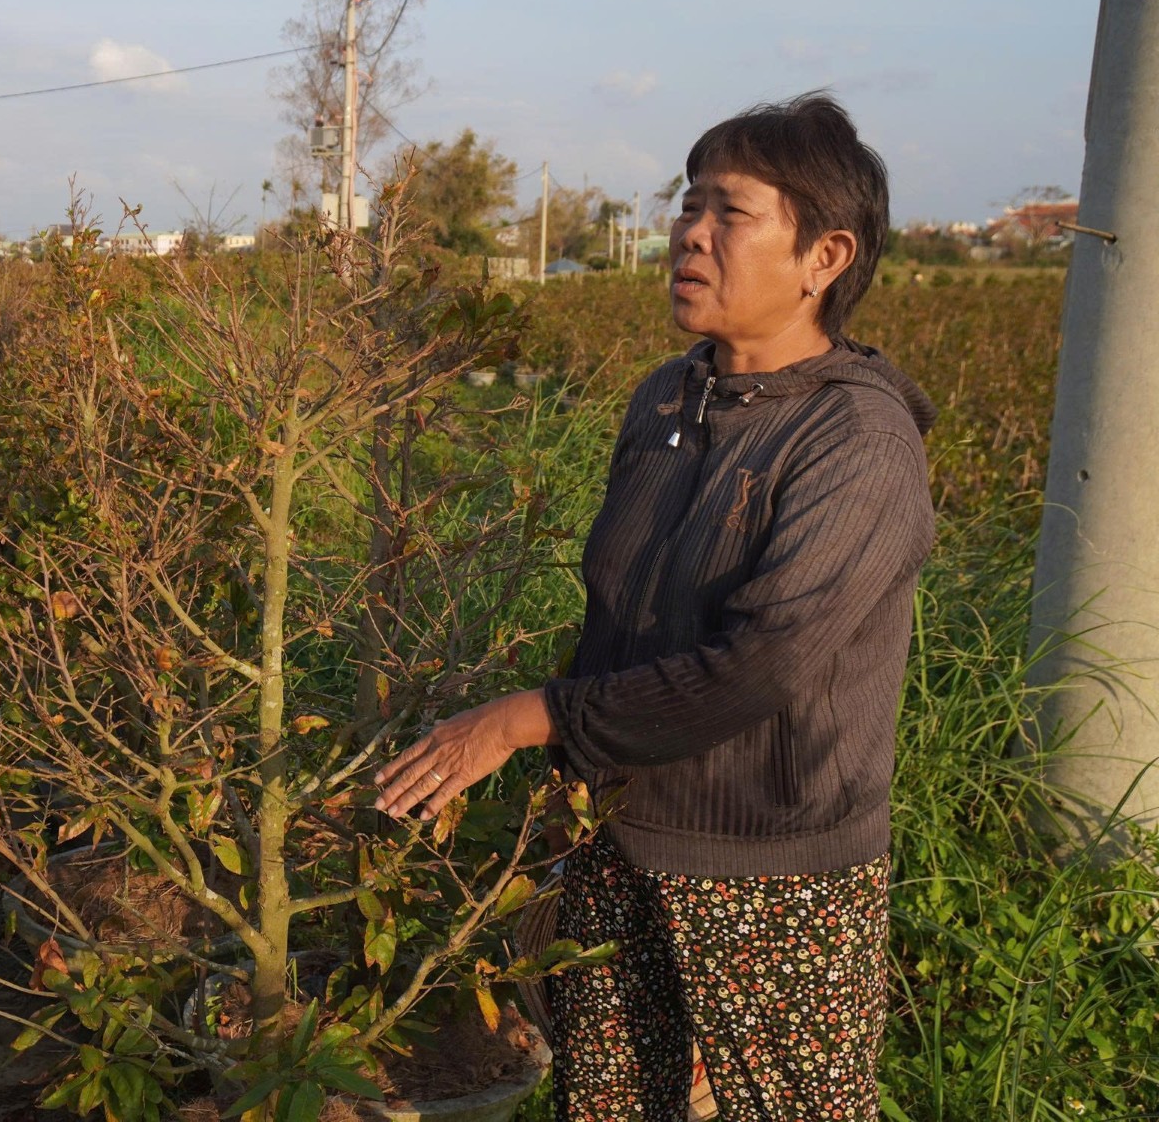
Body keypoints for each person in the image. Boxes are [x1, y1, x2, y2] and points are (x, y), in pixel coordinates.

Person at [374, 92, 935, 1120]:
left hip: (769, 885)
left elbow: (759, 668)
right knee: (612, 1103)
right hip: (616, 844)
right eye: (687, 205)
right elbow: (619, 618)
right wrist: (566, 790)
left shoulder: (856, 444)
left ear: (825, 257)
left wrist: (525, 720)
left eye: (730, 212)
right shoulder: (668, 399)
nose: (690, 233)